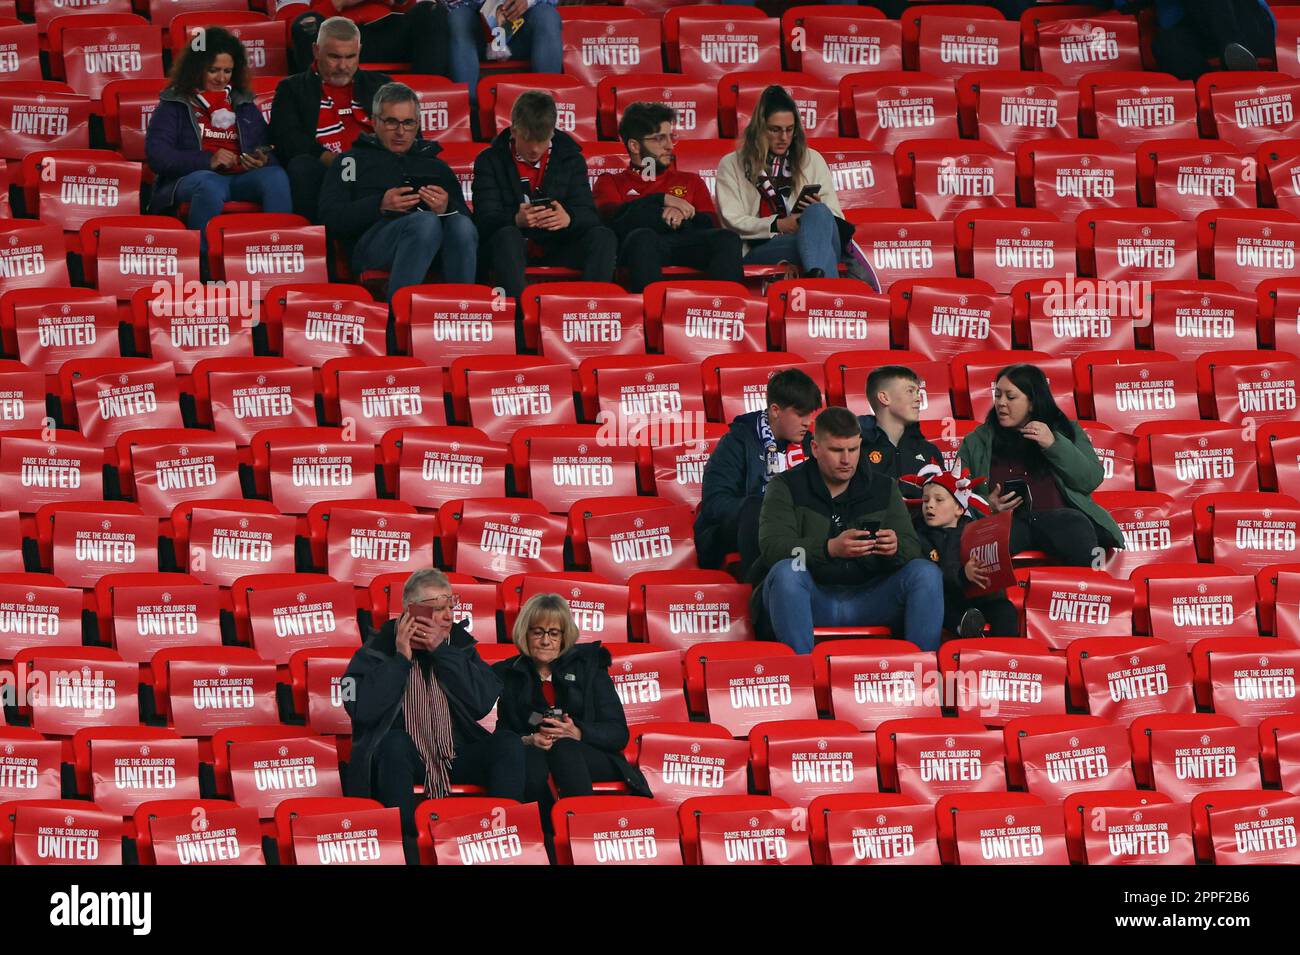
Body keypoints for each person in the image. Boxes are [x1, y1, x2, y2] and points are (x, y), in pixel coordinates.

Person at [342, 568, 520, 857]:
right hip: (400, 761)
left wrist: (442, 652)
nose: (449, 615)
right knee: (395, 743)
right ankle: (408, 847)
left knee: (508, 743)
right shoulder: (373, 651)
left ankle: (499, 838)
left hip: (454, 753)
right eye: (438, 609)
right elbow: (361, 711)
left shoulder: (461, 647)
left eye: (451, 605)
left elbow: (482, 702)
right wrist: (400, 660)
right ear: (412, 612)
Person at [754, 406, 944, 654]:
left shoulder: (884, 487)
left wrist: (894, 548)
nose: (846, 459)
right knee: (787, 571)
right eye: (836, 450)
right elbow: (773, 549)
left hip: (872, 597)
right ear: (815, 448)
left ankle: (921, 675)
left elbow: (911, 547)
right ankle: (802, 675)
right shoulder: (785, 486)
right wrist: (829, 548)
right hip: (810, 598)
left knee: (926, 573)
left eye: (853, 449)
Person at [319, 82, 476, 301]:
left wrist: (446, 208)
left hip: (433, 244)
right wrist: (379, 205)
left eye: (408, 123)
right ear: (374, 122)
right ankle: (398, 312)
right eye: (391, 122)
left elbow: (467, 222)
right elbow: (330, 217)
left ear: (418, 124)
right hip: (371, 246)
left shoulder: (436, 165)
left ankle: (462, 310)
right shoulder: (350, 162)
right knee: (425, 222)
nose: (401, 131)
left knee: (460, 224)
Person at [959, 364, 1125, 567]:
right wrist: (987, 505)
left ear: (1032, 402)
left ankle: (1084, 593)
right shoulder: (976, 441)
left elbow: (1090, 479)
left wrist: (1053, 444)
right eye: (998, 395)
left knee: (1077, 527)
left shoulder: (1065, 431)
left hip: (1059, 518)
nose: (1001, 403)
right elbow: (957, 495)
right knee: (974, 542)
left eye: (1010, 397)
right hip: (1004, 522)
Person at [493, 594, 652, 802]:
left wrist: (578, 732)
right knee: (530, 758)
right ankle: (543, 830)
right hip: (537, 755)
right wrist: (528, 739)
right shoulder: (511, 674)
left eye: (553, 633)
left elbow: (617, 733)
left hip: (590, 754)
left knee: (565, 748)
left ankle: (582, 826)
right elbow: (505, 734)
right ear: (525, 633)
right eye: (538, 632)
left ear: (564, 636)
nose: (545, 641)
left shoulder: (589, 666)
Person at [145, 26, 291, 253]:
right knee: (209, 183)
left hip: (240, 177)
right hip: (193, 178)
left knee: (276, 176)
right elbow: (158, 156)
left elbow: (266, 146)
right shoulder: (174, 103)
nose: (221, 78)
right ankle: (203, 261)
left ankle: (279, 250)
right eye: (214, 70)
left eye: (228, 71)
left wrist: (262, 160)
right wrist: (208, 161)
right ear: (196, 69)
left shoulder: (242, 101)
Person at [472, 90, 615, 300]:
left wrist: (569, 218)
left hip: (558, 244)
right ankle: (520, 317)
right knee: (507, 236)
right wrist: (515, 219)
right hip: (512, 247)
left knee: (604, 237)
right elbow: (483, 220)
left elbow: (590, 215)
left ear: (552, 134)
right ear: (513, 130)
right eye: (528, 138)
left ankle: (590, 310)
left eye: (542, 139)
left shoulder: (571, 159)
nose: (535, 148)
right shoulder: (489, 160)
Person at [716, 85, 864, 282]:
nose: (784, 138)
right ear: (759, 129)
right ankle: (825, 289)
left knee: (818, 212)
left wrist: (813, 218)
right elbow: (731, 222)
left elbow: (836, 217)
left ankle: (818, 281)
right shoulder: (732, 164)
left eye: (789, 130)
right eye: (775, 130)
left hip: (814, 239)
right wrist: (778, 225)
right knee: (813, 245)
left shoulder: (812, 160)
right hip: (763, 248)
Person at [592, 101, 743, 293]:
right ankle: (650, 315)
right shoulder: (610, 181)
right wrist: (661, 202)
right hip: (639, 250)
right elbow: (613, 220)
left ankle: (725, 311)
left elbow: (710, 222)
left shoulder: (690, 180)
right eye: (660, 139)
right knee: (643, 237)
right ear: (635, 145)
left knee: (727, 238)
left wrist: (681, 215)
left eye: (671, 137)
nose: (670, 146)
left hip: (686, 244)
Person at [695, 368, 822, 575]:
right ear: (775, 410)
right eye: (800, 414)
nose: (807, 422)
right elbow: (715, 503)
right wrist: (771, 509)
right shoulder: (737, 441)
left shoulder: (811, 445)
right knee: (758, 506)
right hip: (741, 529)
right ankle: (762, 584)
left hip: (795, 526)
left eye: (810, 414)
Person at [269, 16, 390, 221]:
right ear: (316, 51)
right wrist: (332, 160)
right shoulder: (292, 89)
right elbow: (285, 138)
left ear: (359, 51)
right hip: (325, 171)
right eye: (334, 57)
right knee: (301, 166)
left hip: (375, 167)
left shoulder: (381, 85)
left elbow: (408, 130)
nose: (343, 66)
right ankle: (318, 246)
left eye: (350, 57)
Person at [904, 459, 1020, 639]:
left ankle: (1005, 657)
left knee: (1006, 610)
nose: (930, 505)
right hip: (947, 599)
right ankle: (962, 627)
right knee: (939, 605)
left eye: (939, 500)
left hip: (978, 597)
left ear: (959, 507)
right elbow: (929, 580)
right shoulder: (918, 536)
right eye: (925, 500)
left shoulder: (978, 531)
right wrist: (962, 575)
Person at [443, 0, 562, 105]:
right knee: (458, 18)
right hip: (477, 35)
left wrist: (527, 1)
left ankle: (547, 106)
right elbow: (450, 4)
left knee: (547, 16)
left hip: (520, 33)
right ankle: (469, 110)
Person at [290, 0, 449, 77]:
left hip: (388, 33)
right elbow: (334, 4)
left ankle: (429, 91)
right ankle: (315, 97)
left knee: (431, 11)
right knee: (306, 23)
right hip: (340, 35)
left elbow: (404, 7)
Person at [1127, 0, 1277, 81]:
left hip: (1245, 26)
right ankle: (1209, 96)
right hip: (1191, 34)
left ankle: (1235, 53)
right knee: (1166, 44)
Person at [858, 365, 943, 495]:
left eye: (917, 392)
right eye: (910, 391)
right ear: (884, 398)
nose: (918, 398)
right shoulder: (856, 449)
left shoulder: (929, 451)